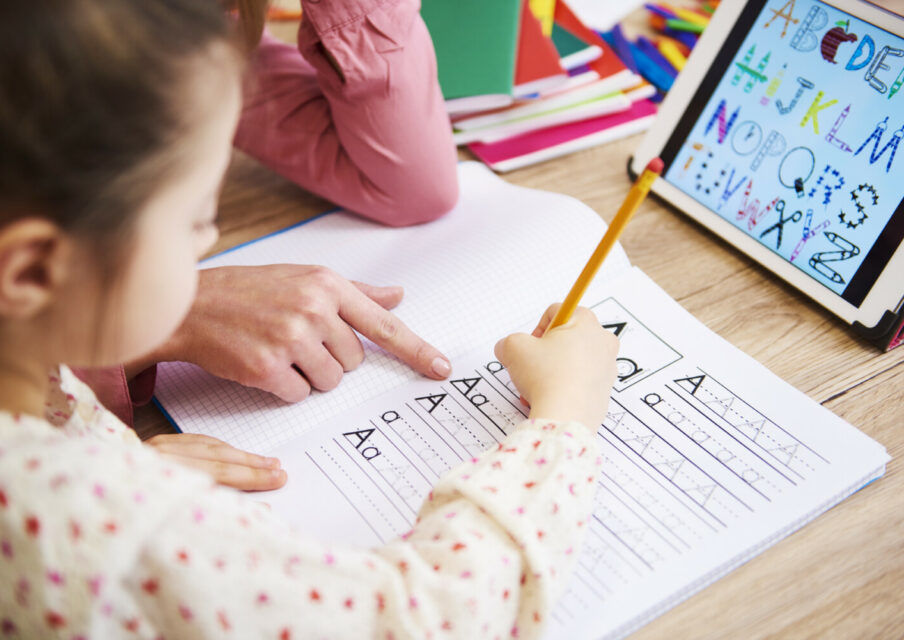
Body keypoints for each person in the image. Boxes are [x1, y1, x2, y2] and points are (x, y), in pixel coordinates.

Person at [0, 0, 620, 636]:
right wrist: (565, 419)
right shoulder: (105, 525)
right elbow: (422, 618)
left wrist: (106, 455)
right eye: (192, 221)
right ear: (31, 272)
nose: (210, 237)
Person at [77, 0, 461, 488]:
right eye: (196, 223)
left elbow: (414, 186)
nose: (209, 239)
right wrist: (157, 316)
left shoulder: (187, 35)